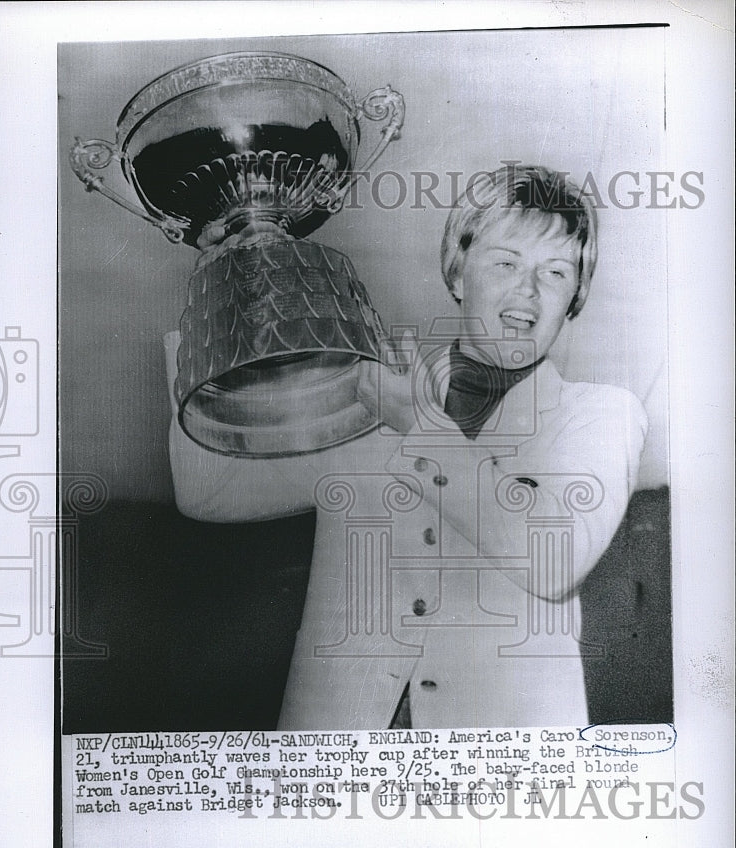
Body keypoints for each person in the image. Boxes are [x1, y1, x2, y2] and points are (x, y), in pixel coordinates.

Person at [167, 164, 647, 731]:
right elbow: (211, 492)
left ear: (574, 297)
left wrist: (419, 423)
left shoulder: (600, 414)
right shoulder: (367, 391)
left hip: (504, 776)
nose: (528, 290)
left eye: (557, 271)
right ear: (458, 272)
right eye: (505, 262)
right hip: (336, 763)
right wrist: (216, 302)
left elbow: (554, 560)